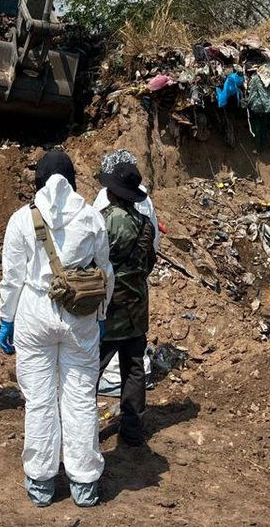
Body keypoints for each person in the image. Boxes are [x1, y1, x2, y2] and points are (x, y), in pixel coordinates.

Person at [0, 150, 115, 509]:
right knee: (80, 398)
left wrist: (7, 318)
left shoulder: (21, 219)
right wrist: (103, 314)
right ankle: (84, 484)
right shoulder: (92, 217)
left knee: (40, 399)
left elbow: (12, 277)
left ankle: (42, 481)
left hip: (34, 313)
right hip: (79, 315)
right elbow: (105, 272)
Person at [96, 160, 157, 448]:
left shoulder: (104, 220)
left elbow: (91, 260)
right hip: (137, 307)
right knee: (133, 368)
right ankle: (132, 429)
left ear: (113, 193)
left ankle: (81, 428)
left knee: (90, 369)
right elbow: (149, 264)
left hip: (108, 309)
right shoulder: (145, 224)